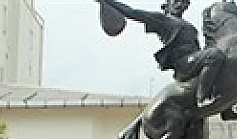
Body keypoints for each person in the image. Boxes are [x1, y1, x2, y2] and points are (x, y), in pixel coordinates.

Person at [97, 0, 226, 108]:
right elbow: (132, 12)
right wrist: (108, 2)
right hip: (183, 63)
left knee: (225, 62)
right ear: (168, 4)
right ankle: (201, 98)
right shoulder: (163, 20)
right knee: (214, 55)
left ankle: (226, 107)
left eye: (183, 2)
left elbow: (199, 50)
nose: (180, 5)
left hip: (194, 60)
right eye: (176, 1)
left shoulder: (190, 27)